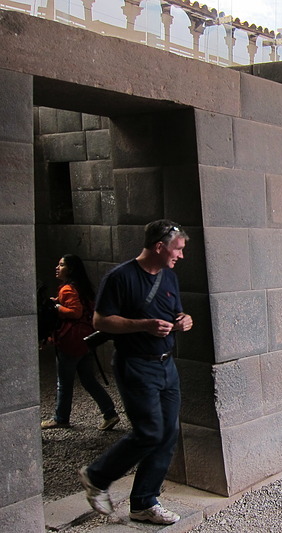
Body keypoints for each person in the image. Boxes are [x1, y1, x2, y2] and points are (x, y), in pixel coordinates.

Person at [78, 220, 193, 525]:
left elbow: (176, 311)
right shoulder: (120, 277)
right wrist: (143, 325)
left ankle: (143, 503)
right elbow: (100, 321)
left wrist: (184, 319)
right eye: (177, 249)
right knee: (150, 432)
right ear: (159, 247)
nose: (180, 256)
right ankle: (96, 475)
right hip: (136, 365)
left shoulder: (168, 277)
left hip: (166, 365)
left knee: (168, 434)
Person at [41, 254, 120, 431]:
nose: (57, 267)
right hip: (86, 341)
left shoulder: (67, 289)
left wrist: (56, 307)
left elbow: (75, 312)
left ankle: (61, 418)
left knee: (64, 382)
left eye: (61, 265)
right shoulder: (82, 288)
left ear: (71, 269)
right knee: (89, 379)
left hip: (70, 342)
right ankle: (110, 413)